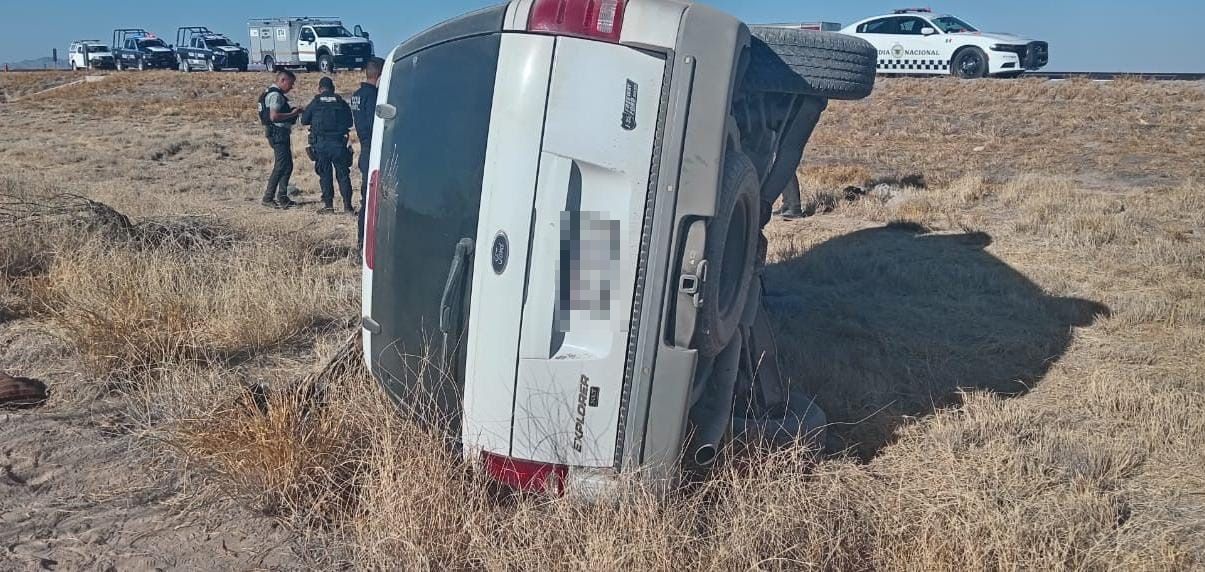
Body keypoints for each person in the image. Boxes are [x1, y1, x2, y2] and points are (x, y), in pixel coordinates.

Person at [301, 76, 355, 214]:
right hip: (338, 144)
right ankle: (348, 207)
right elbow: (349, 122)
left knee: (325, 175)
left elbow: (304, 120)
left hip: (321, 145)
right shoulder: (340, 102)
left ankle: (329, 206)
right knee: (343, 175)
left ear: (320, 89)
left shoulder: (316, 102)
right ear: (333, 88)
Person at [351, 57, 384, 246]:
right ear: (379, 75)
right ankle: (365, 243)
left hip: (365, 149)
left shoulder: (357, 94)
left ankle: (362, 241)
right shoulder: (373, 96)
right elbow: (376, 125)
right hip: (373, 149)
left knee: (367, 199)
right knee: (372, 200)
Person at [259, 70, 304, 209]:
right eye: (291, 83)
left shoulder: (270, 93)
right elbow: (274, 116)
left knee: (287, 165)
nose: (292, 87)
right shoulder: (275, 96)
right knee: (281, 165)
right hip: (278, 133)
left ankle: (283, 197)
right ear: (283, 80)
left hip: (277, 133)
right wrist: (292, 114)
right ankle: (268, 197)